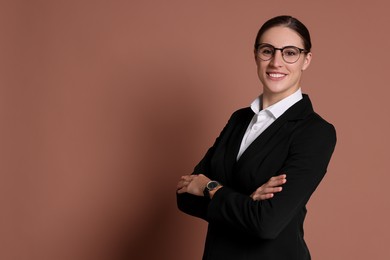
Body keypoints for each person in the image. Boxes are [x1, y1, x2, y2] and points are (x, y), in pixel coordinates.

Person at [176, 15, 336, 260]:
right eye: (267, 51)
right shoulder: (239, 119)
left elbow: (266, 223)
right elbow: (185, 196)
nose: (276, 62)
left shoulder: (315, 132)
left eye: (290, 52)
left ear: (306, 60)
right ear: (256, 55)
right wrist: (247, 202)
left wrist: (210, 187)